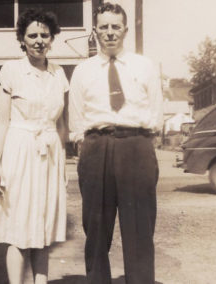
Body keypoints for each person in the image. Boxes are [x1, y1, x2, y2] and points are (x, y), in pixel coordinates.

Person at [68, 3, 163, 284]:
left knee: (139, 229)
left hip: (136, 145)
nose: (110, 33)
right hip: (96, 146)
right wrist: (86, 148)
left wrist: (142, 145)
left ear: (125, 30)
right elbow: (76, 119)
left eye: (115, 27)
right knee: (96, 229)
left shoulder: (144, 66)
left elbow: (156, 112)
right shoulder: (82, 71)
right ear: (96, 31)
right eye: (104, 27)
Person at [0, 9, 68, 284]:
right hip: (19, 152)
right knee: (19, 230)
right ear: (22, 38)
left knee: (43, 229)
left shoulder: (59, 74)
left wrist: (64, 162)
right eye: (32, 35)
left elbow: (61, 125)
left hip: (50, 154)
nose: (39, 40)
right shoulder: (11, 71)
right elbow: (0, 121)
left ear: (52, 38)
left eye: (45, 35)